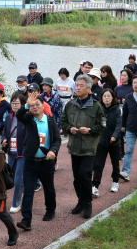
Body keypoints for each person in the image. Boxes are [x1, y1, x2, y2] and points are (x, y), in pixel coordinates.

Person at [60, 75, 106, 219]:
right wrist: (69, 128)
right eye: (76, 85)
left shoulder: (96, 106)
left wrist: (90, 130)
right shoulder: (70, 104)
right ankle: (81, 201)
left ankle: (88, 203)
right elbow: (63, 121)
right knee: (77, 178)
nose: (78, 88)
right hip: (74, 147)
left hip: (89, 148)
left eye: (81, 86)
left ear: (89, 88)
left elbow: (102, 126)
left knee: (85, 175)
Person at [14, 98, 61, 231]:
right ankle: (26, 220)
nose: (34, 107)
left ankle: (50, 210)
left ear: (43, 106)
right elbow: (19, 114)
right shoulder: (29, 118)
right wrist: (26, 105)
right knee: (28, 191)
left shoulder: (50, 121)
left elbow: (57, 140)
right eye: (32, 105)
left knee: (49, 188)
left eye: (37, 104)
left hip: (46, 162)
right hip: (30, 162)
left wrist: (53, 151)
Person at [92, 89, 121, 194]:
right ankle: (95, 186)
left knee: (115, 164)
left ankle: (115, 182)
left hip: (114, 143)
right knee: (98, 164)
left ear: (112, 97)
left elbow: (119, 125)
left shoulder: (117, 110)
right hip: (101, 142)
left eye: (108, 96)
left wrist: (115, 136)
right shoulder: (99, 109)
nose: (106, 98)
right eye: (104, 96)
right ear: (102, 98)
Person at [1, 93, 26, 214]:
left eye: (17, 103)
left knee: (18, 179)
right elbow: (5, 132)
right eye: (13, 103)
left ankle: (16, 203)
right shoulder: (8, 117)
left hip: (22, 153)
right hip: (11, 152)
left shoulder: (26, 118)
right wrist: (4, 140)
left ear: (23, 105)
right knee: (8, 177)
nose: (14, 105)